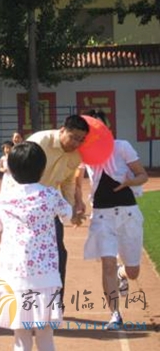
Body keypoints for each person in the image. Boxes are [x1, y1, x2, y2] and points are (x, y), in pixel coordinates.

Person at [0, 141, 73, 351]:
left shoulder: (3, 199)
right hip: (45, 274)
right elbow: (68, 215)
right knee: (45, 334)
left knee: (21, 335)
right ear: (42, 168)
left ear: (11, 169)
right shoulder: (51, 195)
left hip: (15, 275)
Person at [79, 110, 148, 330]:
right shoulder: (84, 153)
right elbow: (76, 177)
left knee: (132, 271)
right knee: (107, 263)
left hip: (128, 213)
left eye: (99, 127)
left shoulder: (121, 146)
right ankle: (115, 314)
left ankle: (123, 273)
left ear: (107, 128)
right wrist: (77, 201)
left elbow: (142, 175)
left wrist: (129, 183)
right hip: (101, 216)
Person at [27, 115, 89, 304]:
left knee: (58, 254)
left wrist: (71, 211)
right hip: (26, 210)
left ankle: (55, 302)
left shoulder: (76, 155)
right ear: (62, 130)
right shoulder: (39, 142)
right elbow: (18, 172)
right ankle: (28, 302)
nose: (76, 143)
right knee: (29, 256)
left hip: (49, 210)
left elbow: (68, 181)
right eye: (73, 137)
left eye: (81, 139)